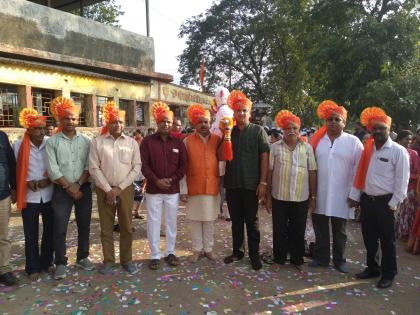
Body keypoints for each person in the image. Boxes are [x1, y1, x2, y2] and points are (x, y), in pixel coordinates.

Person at [349, 107, 409, 289]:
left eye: (381, 128)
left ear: (389, 129)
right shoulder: (368, 149)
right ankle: (372, 268)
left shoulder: (398, 151)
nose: (377, 131)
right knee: (369, 238)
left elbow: (402, 181)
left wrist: (393, 204)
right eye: (374, 128)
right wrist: (355, 197)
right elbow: (359, 175)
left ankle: (388, 273)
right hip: (367, 201)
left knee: (387, 241)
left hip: (386, 203)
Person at [309, 100, 363, 273]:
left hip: (343, 194)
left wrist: (355, 194)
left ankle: (339, 260)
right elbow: (311, 168)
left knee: (340, 230)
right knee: (320, 227)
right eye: (329, 119)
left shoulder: (354, 142)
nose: (332, 122)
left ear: (344, 123)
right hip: (320, 193)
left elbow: (359, 169)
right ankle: (322, 258)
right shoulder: (318, 141)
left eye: (336, 119)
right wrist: (311, 194)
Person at [89, 101, 141, 275]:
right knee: (106, 227)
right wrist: (108, 189)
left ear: (124, 124)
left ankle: (127, 260)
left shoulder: (132, 143)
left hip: (125, 190)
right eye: (114, 122)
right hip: (104, 190)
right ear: (107, 123)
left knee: (126, 226)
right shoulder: (97, 142)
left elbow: (136, 167)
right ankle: (109, 261)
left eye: (120, 122)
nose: (117, 125)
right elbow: (93, 167)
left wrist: (119, 188)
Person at [46, 96, 94, 280]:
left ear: (78, 120)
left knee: (84, 225)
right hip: (61, 191)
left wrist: (79, 185)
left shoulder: (87, 141)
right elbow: (53, 169)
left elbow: (89, 166)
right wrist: (69, 187)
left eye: (73, 118)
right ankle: (60, 262)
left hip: (83, 188)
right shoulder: (52, 142)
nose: (70, 122)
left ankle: (82, 257)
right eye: (67, 118)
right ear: (60, 120)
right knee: (59, 226)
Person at [223, 90, 270, 271]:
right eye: (238, 111)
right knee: (236, 220)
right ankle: (237, 251)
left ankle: (254, 255)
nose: (241, 114)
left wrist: (263, 183)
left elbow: (264, 157)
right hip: (233, 183)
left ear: (249, 113)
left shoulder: (258, 131)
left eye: (244, 111)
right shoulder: (229, 132)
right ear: (233, 114)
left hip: (252, 184)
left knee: (252, 221)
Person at [266, 110, 317, 271]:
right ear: (283, 130)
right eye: (288, 128)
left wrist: (313, 196)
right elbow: (269, 172)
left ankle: (297, 259)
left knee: (298, 230)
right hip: (279, 197)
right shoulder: (274, 148)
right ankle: (279, 259)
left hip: (300, 198)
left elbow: (312, 171)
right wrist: (267, 196)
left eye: (295, 128)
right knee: (279, 230)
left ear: (299, 129)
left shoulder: (307, 148)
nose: (292, 130)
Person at [140, 102, 187, 270]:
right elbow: (143, 165)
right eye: (163, 121)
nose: (166, 124)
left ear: (172, 123)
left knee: (171, 221)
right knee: (153, 221)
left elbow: (183, 166)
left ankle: (170, 252)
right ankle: (154, 255)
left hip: (172, 190)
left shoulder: (179, 142)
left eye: (168, 122)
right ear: (157, 123)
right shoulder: (147, 142)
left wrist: (172, 180)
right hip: (154, 190)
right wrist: (156, 180)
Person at [14, 109, 54, 281]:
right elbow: (14, 170)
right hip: (29, 196)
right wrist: (25, 183)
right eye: (37, 129)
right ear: (28, 130)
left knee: (50, 230)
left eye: (43, 128)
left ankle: (46, 262)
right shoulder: (18, 146)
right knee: (31, 232)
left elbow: (57, 165)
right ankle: (32, 267)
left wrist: (49, 180)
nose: (42, 132)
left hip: (49, 194)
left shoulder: (50, 143)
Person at [180, 104, 221, 262]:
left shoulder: (217, 140)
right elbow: (183, 167)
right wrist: (183, 189)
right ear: (194, 124)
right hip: (193, 186)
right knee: (196, 220)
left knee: (209, 220)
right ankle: (197, 250)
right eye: (200, 122)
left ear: (210, 123)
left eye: (206, 122)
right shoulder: (187, 141)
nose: (204, 125)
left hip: (212, 186)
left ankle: (208, 249)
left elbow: (223, 162)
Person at [395, 130, 420, 240]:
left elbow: (418, 171)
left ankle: (406, 233)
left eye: (410, 139)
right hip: (394, 186)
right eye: (406, 139)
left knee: (408, 210)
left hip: (410, 187)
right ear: (399, 140)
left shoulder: (413, 153)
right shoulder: (394, 151)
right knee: (398, 210)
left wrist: (408, 178)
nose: (408, 141)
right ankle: (399, 231)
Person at [0, 130, 17, 286]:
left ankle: (4, 269)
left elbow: (11, 163)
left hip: (2, 195)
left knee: (3, 236)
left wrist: (14, 188)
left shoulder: (2, 136)